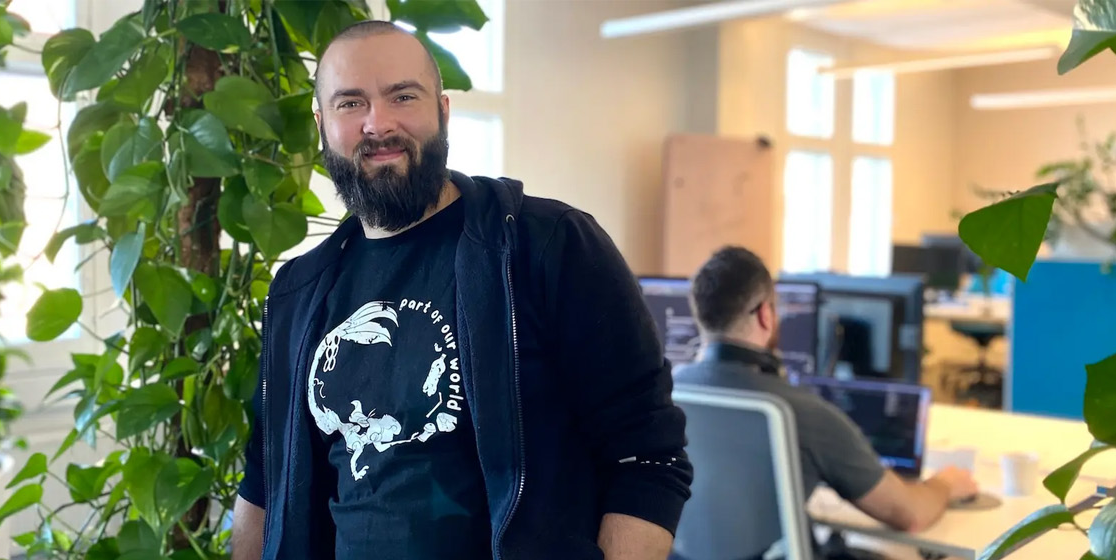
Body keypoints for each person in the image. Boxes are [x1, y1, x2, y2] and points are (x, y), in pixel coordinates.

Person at [230, 20, 693, 560]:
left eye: (403, 96)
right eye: (350, 104)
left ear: (443, 110)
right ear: (322, 123)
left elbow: (647, 459)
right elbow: (265, 480)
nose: (378, 124)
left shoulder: (546, 247)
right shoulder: (298, 291)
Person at [673, 247, 978, 541]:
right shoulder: (799, 412)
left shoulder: (668, 394)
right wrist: (946, 484)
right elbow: (910, 514)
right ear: (766, 315)